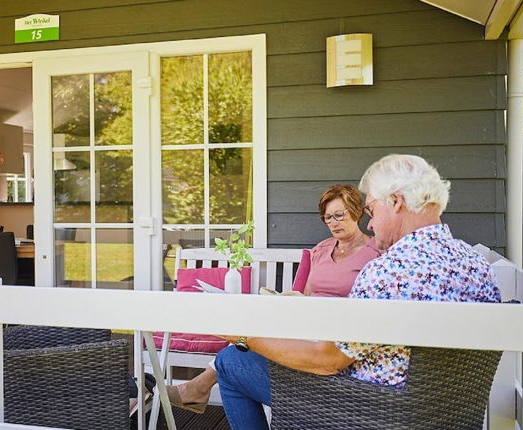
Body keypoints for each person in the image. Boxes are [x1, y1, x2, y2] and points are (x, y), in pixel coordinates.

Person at [213, 154, 501, 430]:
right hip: (442, 410)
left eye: (372, 211)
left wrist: (243, 336)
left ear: (396, 202)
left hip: (363, 407)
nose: (372, 224)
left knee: (230, 361)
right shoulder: (477, 264)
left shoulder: (389, 270)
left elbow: (327, 361)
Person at [167, 184, 383, 414]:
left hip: (334, 336)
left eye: (339, 215)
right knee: (244, 336)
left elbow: (366, 302)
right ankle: (197, 388)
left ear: (357, 211)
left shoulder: (376, 252)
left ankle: (197, 387)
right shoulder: (321, 249)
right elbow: (308, 293)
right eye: (328, 217)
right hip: (306, 324)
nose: (333, 222)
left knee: (231, 356)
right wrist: (292, 299)